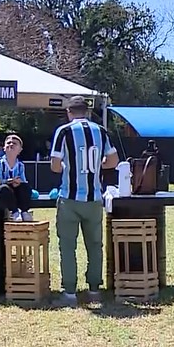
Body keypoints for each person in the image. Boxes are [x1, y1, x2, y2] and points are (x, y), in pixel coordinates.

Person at [50, 96, 119, 306]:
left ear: (69, 112)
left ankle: (70, 292)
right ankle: (94, 289)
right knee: (95, 246)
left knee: (68, 246)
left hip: (70, 198)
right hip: (94, 198)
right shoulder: (101, 131)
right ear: (88, 112)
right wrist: (97, 166)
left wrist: (70, 168)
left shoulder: (64, 131)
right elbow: (114, 161)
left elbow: (55, 165)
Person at [0, 135, 34, 221]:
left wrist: (18, 182)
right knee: (4, 189)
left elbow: (23, 180)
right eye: (8, 143)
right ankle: (14, 212)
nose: (11, 144)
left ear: (20, 150)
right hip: (1, 188)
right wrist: (9, 181)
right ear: (4, 148)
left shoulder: (20, 165)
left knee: (25, 187)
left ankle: (24, 211)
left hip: (15, 187)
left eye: (14, 143)